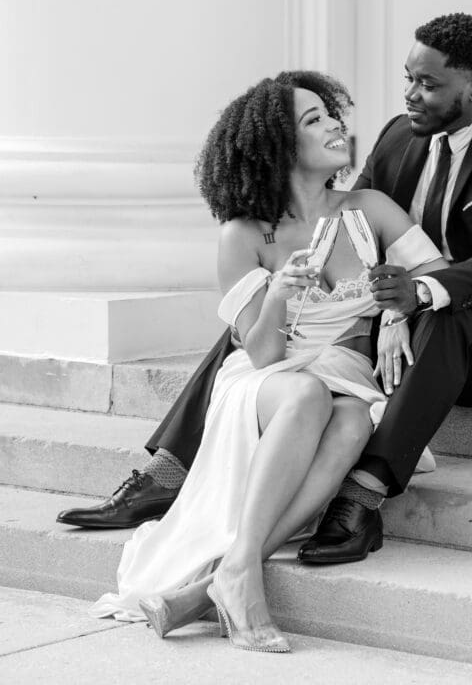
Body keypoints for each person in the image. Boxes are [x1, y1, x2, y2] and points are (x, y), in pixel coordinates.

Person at [60, 13, 472, 565]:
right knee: (257, 313)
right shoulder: (400, 135)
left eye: (428, 85)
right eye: (407, 76)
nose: (410, 93)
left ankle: (363, 496)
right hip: (406, 316)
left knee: (435, 312)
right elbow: (349, 224)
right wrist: (313, 283)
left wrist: (412, 299)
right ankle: (166, 471)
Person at [88, 70, 447, 651]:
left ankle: (227, 574)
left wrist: (398, 310)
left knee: (354, 419)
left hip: (348, 381)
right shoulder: (243, 234)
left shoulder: (372, 209)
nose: (335, 124)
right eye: (314, 120)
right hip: (269, 383)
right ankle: (236, 577)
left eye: (331, 114)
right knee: (307, 395)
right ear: (279, 147)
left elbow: (436, 277)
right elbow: (263, 353)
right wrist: (279, 292)